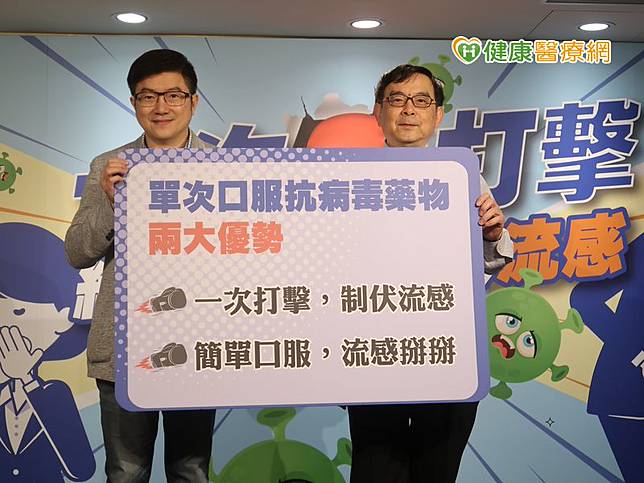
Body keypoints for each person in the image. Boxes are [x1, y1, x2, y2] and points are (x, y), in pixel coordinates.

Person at [347, 64, 514, 483]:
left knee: (437, 472)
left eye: (421, 101)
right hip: (376, 356)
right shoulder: (347, 179)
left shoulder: (460, 176)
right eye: (397, 99)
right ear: (378, 111)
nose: (409, 110)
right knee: (374, 471)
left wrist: (493, 233)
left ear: (437, 115)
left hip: (447, 354)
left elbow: (489, 263)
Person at [65, 49, 216, 483]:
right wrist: (112, 203)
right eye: (148, 96)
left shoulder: (221, 168)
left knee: (191, 470)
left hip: (197, 342)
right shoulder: (109, 166)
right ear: (134, 103)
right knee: (126, 472)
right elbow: (77, 253)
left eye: (173, 95)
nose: (161, 107)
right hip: (124, 347)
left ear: (193, 101)